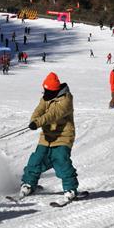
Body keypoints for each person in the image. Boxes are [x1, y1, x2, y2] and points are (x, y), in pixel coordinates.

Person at [16, 73, 79, 203]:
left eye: (48, 91)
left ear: (55, 90)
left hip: (63, 136)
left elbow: (52, 114)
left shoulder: (66, 99)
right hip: (47, 136)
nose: (46, 93)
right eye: (45, 90)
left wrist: (38, 123)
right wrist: (34, 120)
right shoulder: (46, 97)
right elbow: (39, 110)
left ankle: (70, 188)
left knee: (61, 160)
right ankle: (28, 184)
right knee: (36, 159)